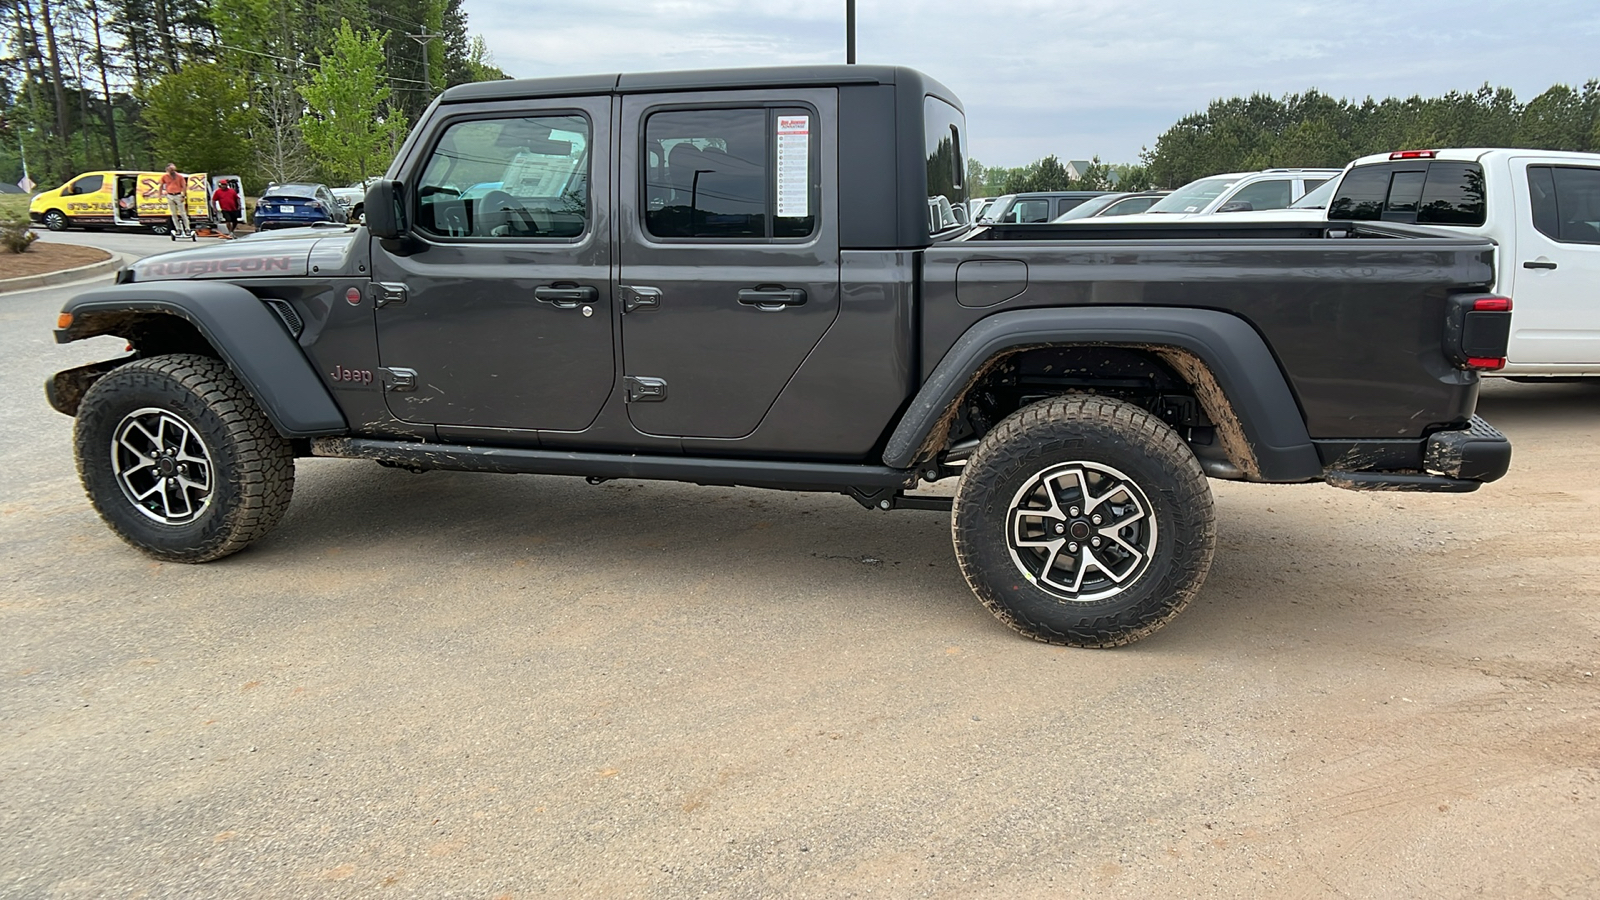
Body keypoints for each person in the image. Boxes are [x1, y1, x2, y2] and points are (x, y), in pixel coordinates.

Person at [159, 163, 190, 234]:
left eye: (173, 170)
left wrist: (183, 196)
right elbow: (161, 185)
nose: (171, 171)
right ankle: (178, 228)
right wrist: (160, 194)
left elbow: (184, 186)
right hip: (169, 195)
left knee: (182, 213)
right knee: (173, 214)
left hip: (178, 195)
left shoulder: (179, 176)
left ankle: (187, 228)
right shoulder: (164, 176)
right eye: (170, 170)